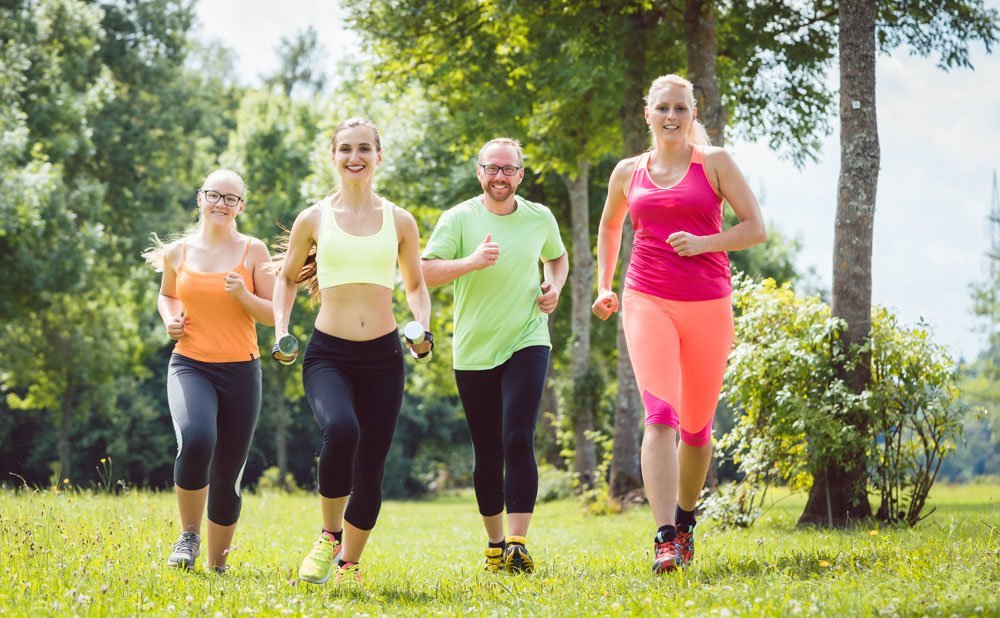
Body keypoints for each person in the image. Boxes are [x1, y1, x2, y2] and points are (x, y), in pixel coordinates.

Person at [592, 74, 766, 574]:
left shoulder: (714, 163)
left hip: (709, 304)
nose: (671, 117)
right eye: (663, 108)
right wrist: (605, 285)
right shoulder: (628, 171)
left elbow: (756, 228)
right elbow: (609, 224)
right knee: (660, 416)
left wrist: (703, 243)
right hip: (647, 298)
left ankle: (687, 521)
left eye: (680, 109)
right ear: (647, 113)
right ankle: (664, 536)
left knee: (696, 429)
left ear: (693, 114)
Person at [272, 118, 432, 586]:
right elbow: (284, 278)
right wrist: (281, 327)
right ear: (333, 157)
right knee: (341, 431)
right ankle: (328, 535)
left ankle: (349, 566)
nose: (354, 157)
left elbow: (417, 285)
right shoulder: (314, 218)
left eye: (364, 148)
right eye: (345, 149)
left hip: (384, 358)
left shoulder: (399, 220)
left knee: (372, 466)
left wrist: (421, 325)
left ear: (379, 156)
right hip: (329, 357)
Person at [421, 137, 568, 573]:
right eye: (492, 168)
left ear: (520, 174)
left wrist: (553, 287)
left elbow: (556, 259)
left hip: (527, 337)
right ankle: (494, 545)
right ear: (479, 172)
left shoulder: (540, 217)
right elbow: (424, 272)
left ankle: (518, 544)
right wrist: (471, 262)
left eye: (508, 169)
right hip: (473, 349)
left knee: (518, 436)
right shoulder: (458, 219)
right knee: (486, 451)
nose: (500, 176)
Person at [144, 169, 275, 573]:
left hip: (240, 371)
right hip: (190, 364)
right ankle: (188, 537)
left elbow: (274, 315)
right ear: (200, 198)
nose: (221, 203)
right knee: (197, 440)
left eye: (231, 198)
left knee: (228, 472)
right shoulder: (178, 252)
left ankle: (218, 565)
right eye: (214, 195)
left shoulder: (255, 251)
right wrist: (170, 320)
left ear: (241, 207)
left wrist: (244, 294)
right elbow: (167, 295)